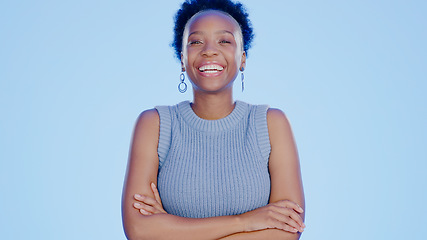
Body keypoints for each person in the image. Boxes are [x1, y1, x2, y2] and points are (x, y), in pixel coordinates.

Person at [121, 0, 305, 239]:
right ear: (182, 58)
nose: (209, 50)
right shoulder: (155, 124)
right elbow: (139, 230)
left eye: (225, 41)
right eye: (196, 41)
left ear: (242, 59)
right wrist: (247, 222)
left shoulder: (271, 124)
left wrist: (171, 230)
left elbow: (287, 232)